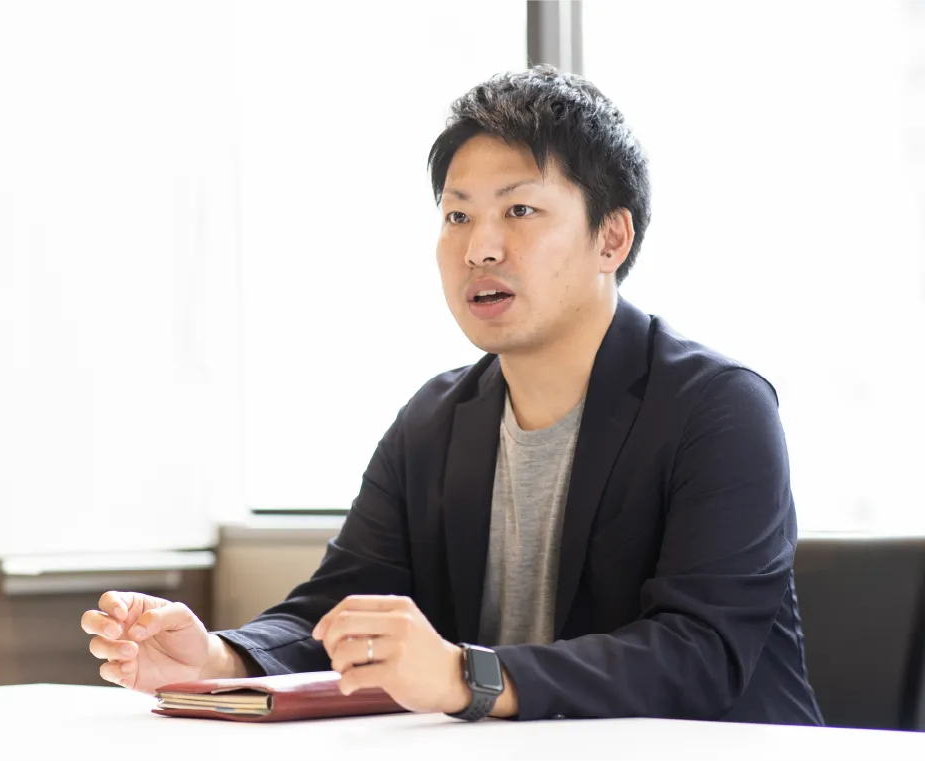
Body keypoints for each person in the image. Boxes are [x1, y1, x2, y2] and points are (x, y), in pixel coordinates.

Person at [80, 64, 823, 725]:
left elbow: (699, 653)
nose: (479, 247)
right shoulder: (435, 420)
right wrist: (217, 658)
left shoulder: (718, 408)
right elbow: (338, 610)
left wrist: (468, 676)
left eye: (519, 211)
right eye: (457, 215)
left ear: (611, 239)